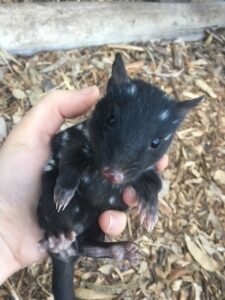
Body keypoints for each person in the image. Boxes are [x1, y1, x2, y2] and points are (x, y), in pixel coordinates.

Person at [0, 87, 168, 284]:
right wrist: (67, 183)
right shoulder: (87, 136)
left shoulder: (144, 157)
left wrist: (149, 197)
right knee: (54, 191)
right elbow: (70, 156)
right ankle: (61, 236)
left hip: (88, 216)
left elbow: (151, 179)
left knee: (102, 219)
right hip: (58, 211)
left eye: (155, 143)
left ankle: (85, 246)